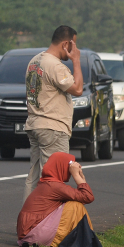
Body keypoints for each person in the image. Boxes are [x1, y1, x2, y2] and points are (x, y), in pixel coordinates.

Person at [23, 25, 84, 202]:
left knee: (34, 177)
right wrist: (76, 61)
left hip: (35, 124)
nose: (75, 50)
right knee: (54, 179)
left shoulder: (34, 61)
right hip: (53, 128)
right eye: (73, 45)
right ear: (65, 44)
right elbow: (78, 89)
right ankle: (47, 217)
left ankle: (29, 215)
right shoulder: (55, 66)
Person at [17, 152, 107, 247]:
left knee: (75, 205)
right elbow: (88, 197)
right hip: (34, 236)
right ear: (60, 167)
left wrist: (81, 176)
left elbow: (83, 198)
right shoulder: (54, 186)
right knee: (75, 206)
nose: (69, 171)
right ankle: (85, 245)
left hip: (30, 235)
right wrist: (76, 175)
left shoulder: (48, 183)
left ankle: (86, 242)